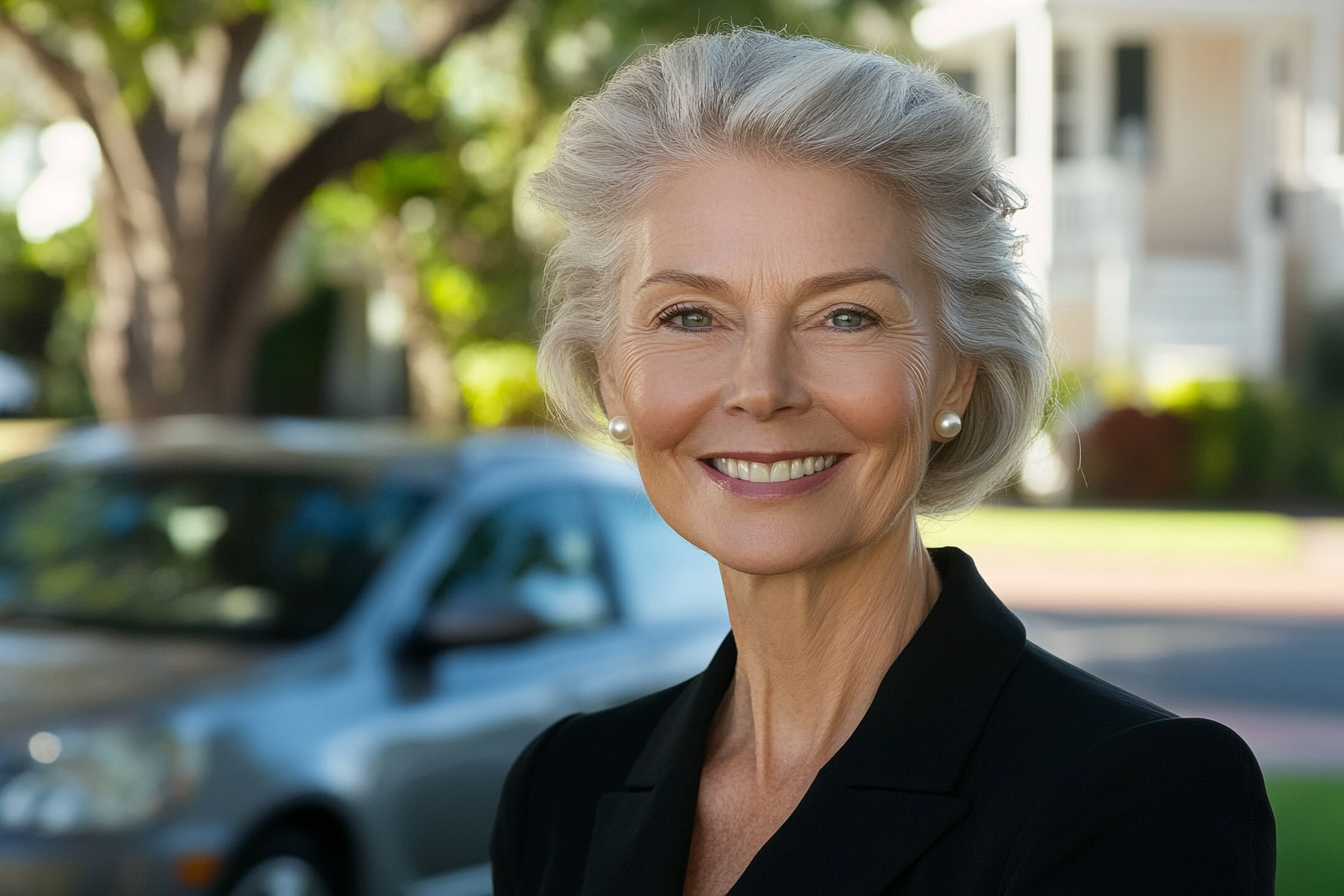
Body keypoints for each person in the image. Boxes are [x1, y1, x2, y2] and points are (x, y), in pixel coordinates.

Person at [491, 28, 1275, 896]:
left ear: (955, 374)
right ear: (611, 375)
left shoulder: (1136, 799)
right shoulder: (559, 788)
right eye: (688, 316)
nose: (762, 388)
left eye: (845, 316)